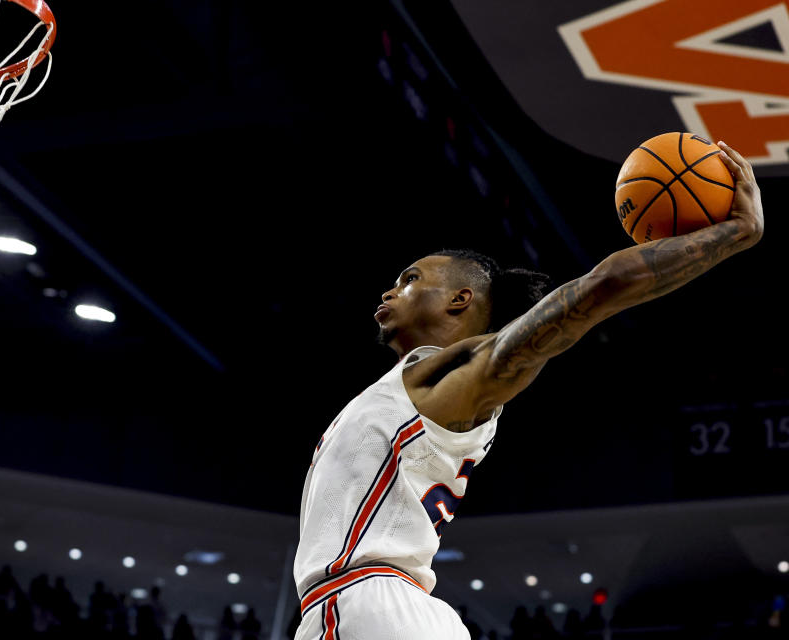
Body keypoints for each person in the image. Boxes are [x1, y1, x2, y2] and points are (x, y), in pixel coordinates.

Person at [291, 141, 764, 640]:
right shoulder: (421, 389)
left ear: (460, 299)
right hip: (396, 609)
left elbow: (594, 291)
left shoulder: (447, 378)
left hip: (364, 605)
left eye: (410, 279)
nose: (391, 290)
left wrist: (734, 233)